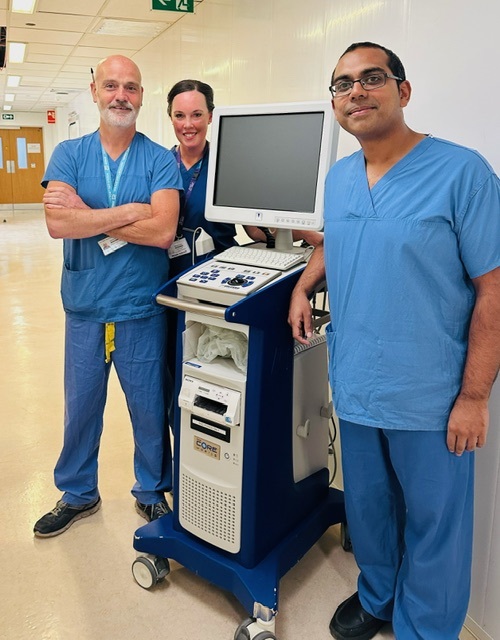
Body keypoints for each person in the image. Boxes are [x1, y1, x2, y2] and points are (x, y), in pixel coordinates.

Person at [288, 42, 500, 640]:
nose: (356, 91)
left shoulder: (464, 173)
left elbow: (494, 288)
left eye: (371, 78)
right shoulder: (340, 179)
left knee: (436, 525)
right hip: (357, 383)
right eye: (342, 84)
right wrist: (304, 286)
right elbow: (338, 243)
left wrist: (475, 397)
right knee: (370, 511)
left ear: (402, 91)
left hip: (431, 393)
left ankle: (426, 628)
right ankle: (378, 595)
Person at [33, 55, 183, 538]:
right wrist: (127, 211)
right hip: (86, 306)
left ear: (142, 96)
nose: (122, 95)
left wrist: (90, 211)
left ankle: (151, 490)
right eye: (113, 86)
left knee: (148, 405)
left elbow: (163, 231)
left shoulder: (159, 157)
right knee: (81, 406)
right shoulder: (68, 155)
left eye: (132, 87)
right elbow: (58, 223)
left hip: (140, 306)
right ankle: (78, 492)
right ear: (95, 91)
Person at [165, 78, 324, 279]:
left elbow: (256, 229)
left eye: (197, 115)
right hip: (167, 272)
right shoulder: (161, 166)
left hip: (217, 273)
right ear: (171, 117)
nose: (188, 125)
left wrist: (308, 234)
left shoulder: (229, 165)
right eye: (179, 115)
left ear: (210, 116)